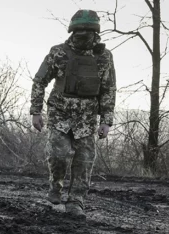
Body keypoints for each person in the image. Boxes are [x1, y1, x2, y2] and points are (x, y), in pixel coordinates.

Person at [29, 9, 116, 217]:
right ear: (72, 30)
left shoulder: (104, 57)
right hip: (60, 115)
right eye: (79, 30)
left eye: (87, 30)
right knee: (58, 156)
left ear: (96, 32)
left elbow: (108, 89)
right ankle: (55, 187)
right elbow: (40, 80)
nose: (83, 34)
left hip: (86, 119)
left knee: (84, 161)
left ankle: (76, 201)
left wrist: (106, 121)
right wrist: (36, 111)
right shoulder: (58, 52)